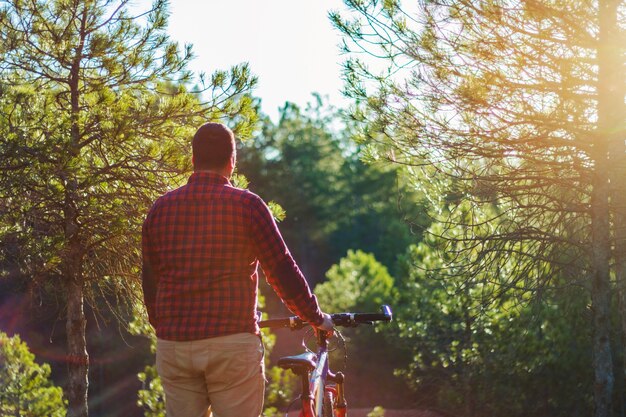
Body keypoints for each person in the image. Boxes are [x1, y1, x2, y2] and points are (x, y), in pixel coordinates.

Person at [141, 122, 334, 417]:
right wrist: (315, 317)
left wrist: (164, 326)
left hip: (175, 346)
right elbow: (281, 269)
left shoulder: (160, 208)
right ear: (232, 161)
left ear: (193, 160)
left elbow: (150, 279)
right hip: (231, 343)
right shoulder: (248, 206)